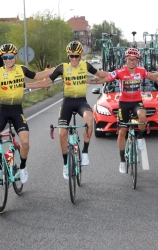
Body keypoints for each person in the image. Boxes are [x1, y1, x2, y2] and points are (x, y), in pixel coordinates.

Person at [25, 41, 107, 180]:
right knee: (62, 133)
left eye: (76, 56)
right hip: (67, 102)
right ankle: (65, 164)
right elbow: (45, 82)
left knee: (89, 118)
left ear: (80, 56)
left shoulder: (86, 66)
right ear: (68, 56)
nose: (74, 59)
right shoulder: (62, 68)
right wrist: (26, 85)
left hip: (81, 101)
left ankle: (85, 151)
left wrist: (116, 74)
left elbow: (101, 76)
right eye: (71, 56)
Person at [95, 48, 158, 173]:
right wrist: (88, 81)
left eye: (134, 59)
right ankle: (122, 161)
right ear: (126, 59)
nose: (131, 61)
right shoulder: (119, 71)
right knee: (122, 132)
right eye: (129, 59)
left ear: (138, 60)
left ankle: (139, 138)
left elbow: (153, 77)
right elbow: (105, 79)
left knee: (142, 114)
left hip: (137, 102)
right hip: (123, 104)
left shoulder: (142, 71)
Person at [0, 43, 55, 183]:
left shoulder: (21, 69)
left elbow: (37, 76)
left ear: (15, 56)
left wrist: (55, 69)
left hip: (17, 110)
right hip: (2, 111)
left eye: (10, 56)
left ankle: (23, 168)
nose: (8, 59)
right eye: (5, 57)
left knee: (25, 143)